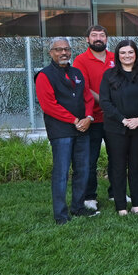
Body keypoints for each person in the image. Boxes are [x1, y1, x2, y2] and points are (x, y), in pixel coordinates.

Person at [35, 37, 98, 223]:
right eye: (58, 49)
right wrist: (74, 120)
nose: (63, 53)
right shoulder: (44, 75)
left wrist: (89, 118)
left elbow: (88, 98)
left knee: (83, 170)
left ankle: (78, 207)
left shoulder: (77, 72)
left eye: (67, 49)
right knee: (61, 173)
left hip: (82, 129)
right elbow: (49, 105)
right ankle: (61, 214)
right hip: (61, 131)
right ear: (51, 53)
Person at [99, 40, 138, 216]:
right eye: (123, 53)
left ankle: (137, 204)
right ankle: (121, 206)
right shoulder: (109, 75)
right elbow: (105, 102)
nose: (127, 56)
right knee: (117, 166)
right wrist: (123, 120)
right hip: (116, 129)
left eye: (130, 52)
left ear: (136, 54)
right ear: (118, 55)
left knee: (135, 166)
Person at [73, 25, 115, 211]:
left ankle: (117, 192)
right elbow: (84, 88)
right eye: (94, 35)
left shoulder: (116, 57)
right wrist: (108, 104)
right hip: (93, 118)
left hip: (115, 119)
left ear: (106, 39)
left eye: (102, 35)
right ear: (87, 39)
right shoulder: (81, 60)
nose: (98, 38)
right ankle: (90, 196)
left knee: (118, 158)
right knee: (90, 160)